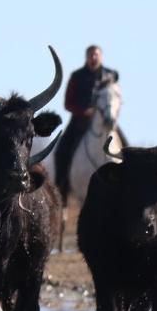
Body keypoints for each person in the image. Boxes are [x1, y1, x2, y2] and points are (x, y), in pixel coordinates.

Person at [54, 44, 119, 198]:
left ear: (101, 56)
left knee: (127, 147)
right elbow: (67, 104)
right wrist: (84, 112)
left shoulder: (109, 74)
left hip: (105, 119)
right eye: (91, 55)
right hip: (79, 121)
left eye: (96, 55)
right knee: (62, 150)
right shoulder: (77, 76)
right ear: (86, 57)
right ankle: (62, 190)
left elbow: (116, 89)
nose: (93, 58)